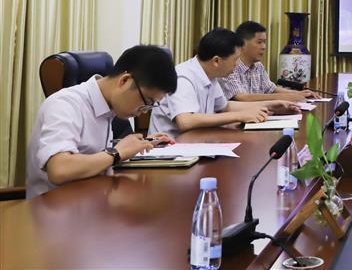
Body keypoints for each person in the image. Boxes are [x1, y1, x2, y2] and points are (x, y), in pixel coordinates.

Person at [27, 45, 177, 198]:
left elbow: (90, 152)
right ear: (124, 80)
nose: (144, 111)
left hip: (92, 199)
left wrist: (140, 144)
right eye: (147, 102)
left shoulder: (108, 108)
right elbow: (59, 169)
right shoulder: (65, 104)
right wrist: (117, 153)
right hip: (55, 206)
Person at [150, 28, 301, 138]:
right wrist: (240, 116)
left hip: (195, 144)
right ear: (216, 61)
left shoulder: (210, 74)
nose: (237, 65)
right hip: (169, 152)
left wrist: (272, 105)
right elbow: (186, 121)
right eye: (235, 60)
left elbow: (225, 107)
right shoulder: (183, 77)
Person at [219, 21, 315, 102]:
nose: (264, 47)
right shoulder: (230, 66)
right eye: (259, 42)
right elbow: (242, 98)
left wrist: (298, 93)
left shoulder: (258, 66)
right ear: (242, 44)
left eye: (264, 42)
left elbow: (271, 89)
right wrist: (285, 97)